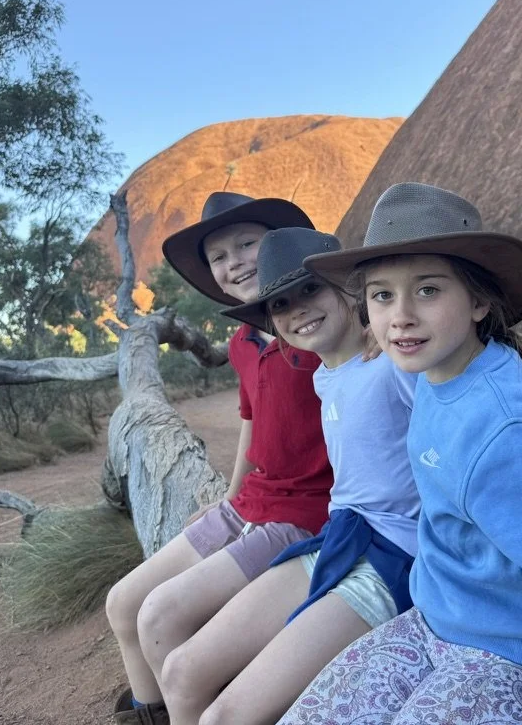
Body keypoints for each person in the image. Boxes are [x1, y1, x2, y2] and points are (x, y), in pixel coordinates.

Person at [280, 182, 522, 725]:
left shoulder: (508, 430)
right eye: (382, 295)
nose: (401, 316)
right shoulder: (433, 377)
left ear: (479, 301)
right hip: (433, 623)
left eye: (428, 291)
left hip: (504, 655)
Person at [156, 227, 419, 725]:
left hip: (395, 556)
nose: (297, 309)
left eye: (310, 288)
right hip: (338, 538)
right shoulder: (324, 376)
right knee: (181, 671)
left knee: (226, 715)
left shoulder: (395, 364)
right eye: (280, 303)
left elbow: (480, 433)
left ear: (348, 289)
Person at [106, 192, 334, 725]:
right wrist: (227, 501)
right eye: (219, 257)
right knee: (124, 603)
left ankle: (191, 704)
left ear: (277, 245)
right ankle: (151, 711)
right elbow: (251, 423)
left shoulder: (317, 332)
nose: (235, 263)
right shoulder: (241, 343)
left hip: (302, 516)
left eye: (247, 244)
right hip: (251, 504)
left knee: (163, 615)